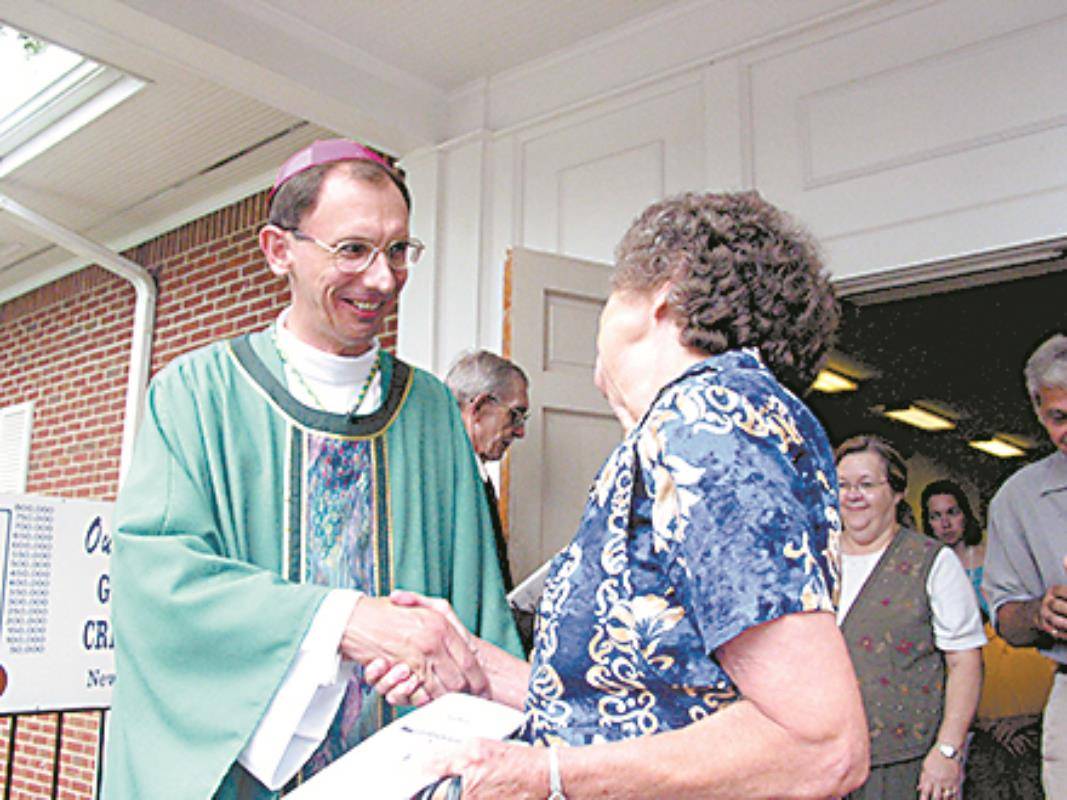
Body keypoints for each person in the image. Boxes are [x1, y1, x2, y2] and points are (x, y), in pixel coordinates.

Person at [375, 191, 870, 798]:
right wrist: (471, 664)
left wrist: (544, 777)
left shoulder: (707, 420)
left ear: (664, 293)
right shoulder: (697, 427)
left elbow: (821, 746)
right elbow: (649, 704)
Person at [104, 139, 521, 799]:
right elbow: (157, 583)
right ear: (278, 251)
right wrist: (343, 620)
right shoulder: (197, 393)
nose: (382, 279)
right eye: (352, 250)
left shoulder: (433, 412)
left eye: (397, 251)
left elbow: (476, 610)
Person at [835, 435, 985, 800]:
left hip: (903, 763)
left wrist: (947, 750)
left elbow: (964, 662)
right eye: (843, 485)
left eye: (867, 485)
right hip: (822, 758)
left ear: (898, 492)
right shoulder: (810, 559)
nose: (853, 495)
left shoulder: (932, 562)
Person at [920, 479, 1053, 800]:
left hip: (1016, 685)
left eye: (952, 512)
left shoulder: (995, 558)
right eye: (936, 516)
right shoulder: (925, 567)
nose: (946, 523)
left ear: (966, 514)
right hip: (962, 695)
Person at [983, 331, 1067, 797]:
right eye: (1059, 417)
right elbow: (1007, 620)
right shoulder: (1018, 499)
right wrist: (1039, 614)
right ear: (1038, 410)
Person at [444, 349, 530, 593]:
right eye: (515, 415)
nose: (520, 432)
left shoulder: (470, 474)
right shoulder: (441, 478)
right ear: (479, 408)